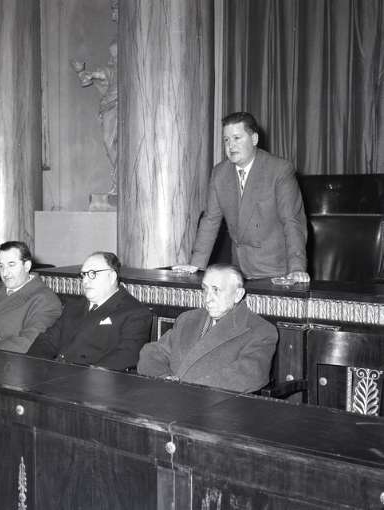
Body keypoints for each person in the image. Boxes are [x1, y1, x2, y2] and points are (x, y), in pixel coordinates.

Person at [174, 111, 309, 282]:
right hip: (238, 273)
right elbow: (210, 221)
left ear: (254, 139)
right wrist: (196, 264)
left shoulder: (279, 170)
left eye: (237, 138)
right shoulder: (219, 173)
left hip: (276, 272)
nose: (231, 146)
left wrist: (297, 268)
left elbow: (293, 222)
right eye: (226, 140)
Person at [137, 264, 278, 392]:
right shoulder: (188, 319)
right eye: (205, 289)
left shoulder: (260, 330)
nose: (207, 299)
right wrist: (165, 378)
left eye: (216, 290)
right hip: (169, 397)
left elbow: (249, 375)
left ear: (238, 294)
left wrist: (185, 387)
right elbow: (152, 352)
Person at [27, 251, 153, 371]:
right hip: (56, 373)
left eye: (93, 273)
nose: (86, 281)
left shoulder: (134, 312)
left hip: (94, 379)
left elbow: (127, 355)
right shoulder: (74, 306)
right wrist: (30, 364)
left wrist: (89, 375)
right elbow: (48, 340)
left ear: (112, 276)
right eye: (84, 274)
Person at [71, 40, 118, 194]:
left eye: (116, 55)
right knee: (108, 144)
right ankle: (118, 176)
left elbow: (102, 74)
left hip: (114, 108)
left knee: (110, 143)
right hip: (107, 109)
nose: (114, 59)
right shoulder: (112, 70)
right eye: (112, 55)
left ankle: (119, 176)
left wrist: (90, 74)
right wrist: (82, 73)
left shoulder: (116, 71)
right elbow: (98, 76)